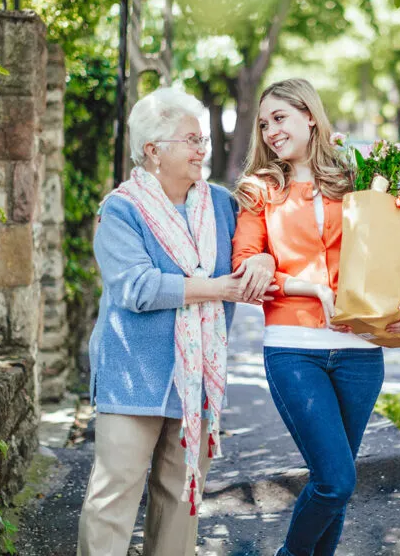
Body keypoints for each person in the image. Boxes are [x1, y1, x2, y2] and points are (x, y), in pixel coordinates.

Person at [231, 78, 400, 556]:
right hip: (293, 348)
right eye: (264, 124)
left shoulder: (359, 174)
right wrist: (310, 289)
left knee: (339, 485)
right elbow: (245, 267)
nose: (270, 131)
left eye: (279, 118)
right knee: (336, 481)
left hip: (361, 350)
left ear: (310, 115)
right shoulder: (260, 189)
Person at [77, 87, 276, 556]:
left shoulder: (223, 205)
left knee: (182, 499)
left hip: (197, 381)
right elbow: (137, 288)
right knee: (113, 499)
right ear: (153, 150)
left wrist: (263, 260)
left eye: (202, 139)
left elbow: (261, 242)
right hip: (134, 375)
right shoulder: (121, 209)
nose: (202, 150)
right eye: (191, 139)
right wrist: (220, 288)